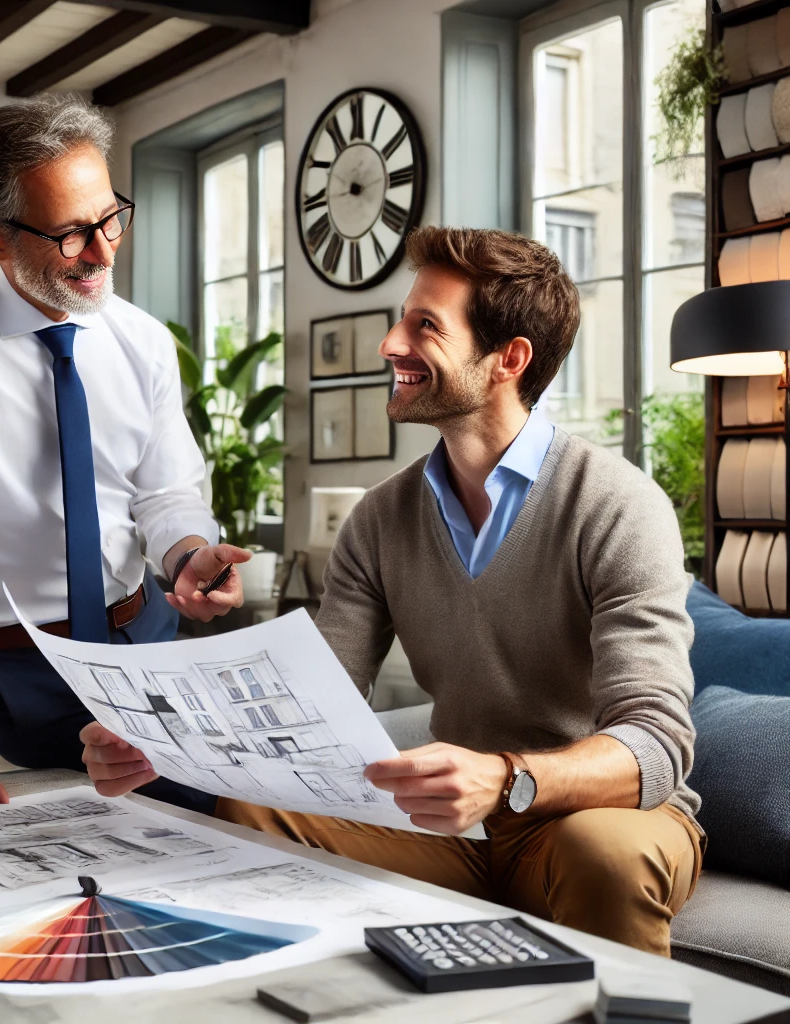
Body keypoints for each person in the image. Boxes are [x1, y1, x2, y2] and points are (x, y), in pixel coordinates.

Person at [81, 226, 704, 958]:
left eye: (425, 325)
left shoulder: (618, 506)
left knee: (602, 850)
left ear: (510, 359)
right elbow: (309, 702)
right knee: (254, 810)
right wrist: (172, 747)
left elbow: (658, 745)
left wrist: (509, 780)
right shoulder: (380, 518)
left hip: (600, 815)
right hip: (456, 830)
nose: (391, 344)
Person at [0, 95, 247, 823]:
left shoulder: (140, 340)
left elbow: (165, 492)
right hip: (19, 669)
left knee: (222, 821)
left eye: (111, 218)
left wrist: (189, 554)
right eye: (74, 234)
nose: (106, 252)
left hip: (144, 642)